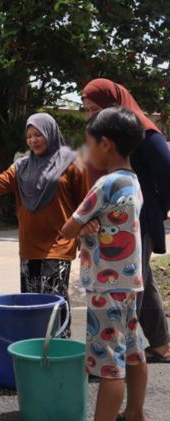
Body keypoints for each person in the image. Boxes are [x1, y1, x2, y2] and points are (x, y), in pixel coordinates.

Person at [62, 107, 148, 421]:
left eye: (90, 143)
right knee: (134, 350)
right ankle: (136, 414)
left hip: (104, 286)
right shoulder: (132, 181)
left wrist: (81, 227)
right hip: (129, 283)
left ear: (106, 144)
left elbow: (68, 229)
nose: (87, 151)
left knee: (110, 364)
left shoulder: (105, 185)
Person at [0, 113, 88, 338]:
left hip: (59, 245)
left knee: (55, 304)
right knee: (32, 304)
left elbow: (85, 201)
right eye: (29, 136)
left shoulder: (73, 163)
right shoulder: (21, 167)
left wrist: (82, 232)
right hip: (29, 247)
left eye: (39, 134)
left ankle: (60, 351)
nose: (33, 140)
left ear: (51, 133)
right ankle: (35, 353)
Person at [82, 78, 170, 363]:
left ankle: (117, 354)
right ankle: (159, 344)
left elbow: (167, 173)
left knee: (129, 284)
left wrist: (160, 207)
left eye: (97, 108)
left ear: (114, 104)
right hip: (115, 220)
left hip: (135, 222)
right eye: (88, 109)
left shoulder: (142, 132)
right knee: (144, 278)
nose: (93, 115)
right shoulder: (109, 136)